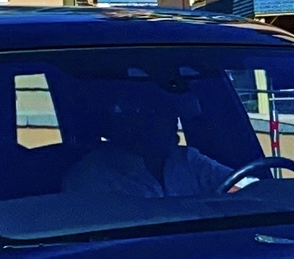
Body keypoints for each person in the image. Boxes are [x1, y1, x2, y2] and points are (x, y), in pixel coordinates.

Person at [62, 82, 234, 199]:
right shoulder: (92, 175)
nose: (172, 124)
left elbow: (242, 184)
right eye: (158, 115)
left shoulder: (187, 160)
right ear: (131, 123)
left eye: (171, 115)